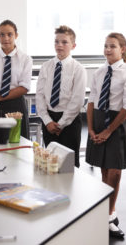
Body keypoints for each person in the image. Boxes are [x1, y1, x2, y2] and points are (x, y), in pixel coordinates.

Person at [85, 32, 126, 239]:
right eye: (106, 46)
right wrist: (90, 128)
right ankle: (109, 214)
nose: (108, 50)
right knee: (104, 171)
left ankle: (108, 214)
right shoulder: (99, 72)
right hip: (98, 120)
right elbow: (91, 102)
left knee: (115, 172)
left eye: (113, 46)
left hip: (116, 123)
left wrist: (108, 131)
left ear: (122, 49)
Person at [35, 25, 87, 167]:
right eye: (56, 42)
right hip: (49, 121)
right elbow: (39, 96)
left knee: (69, 166)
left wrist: (61, 124)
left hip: (69, 122)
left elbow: (77, 101)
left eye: (64, 42)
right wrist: (47, 121)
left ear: (73, 45)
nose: (59, 45)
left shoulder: (78, 69)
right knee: (51, 162)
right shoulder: (46, 66)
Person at [0, 19, 33, 139]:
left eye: (10, 34)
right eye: (2, 34)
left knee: (19, 143)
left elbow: (24, 87)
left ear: (16, 35)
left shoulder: (25, 59)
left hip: (16, 105)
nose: (6, 38)